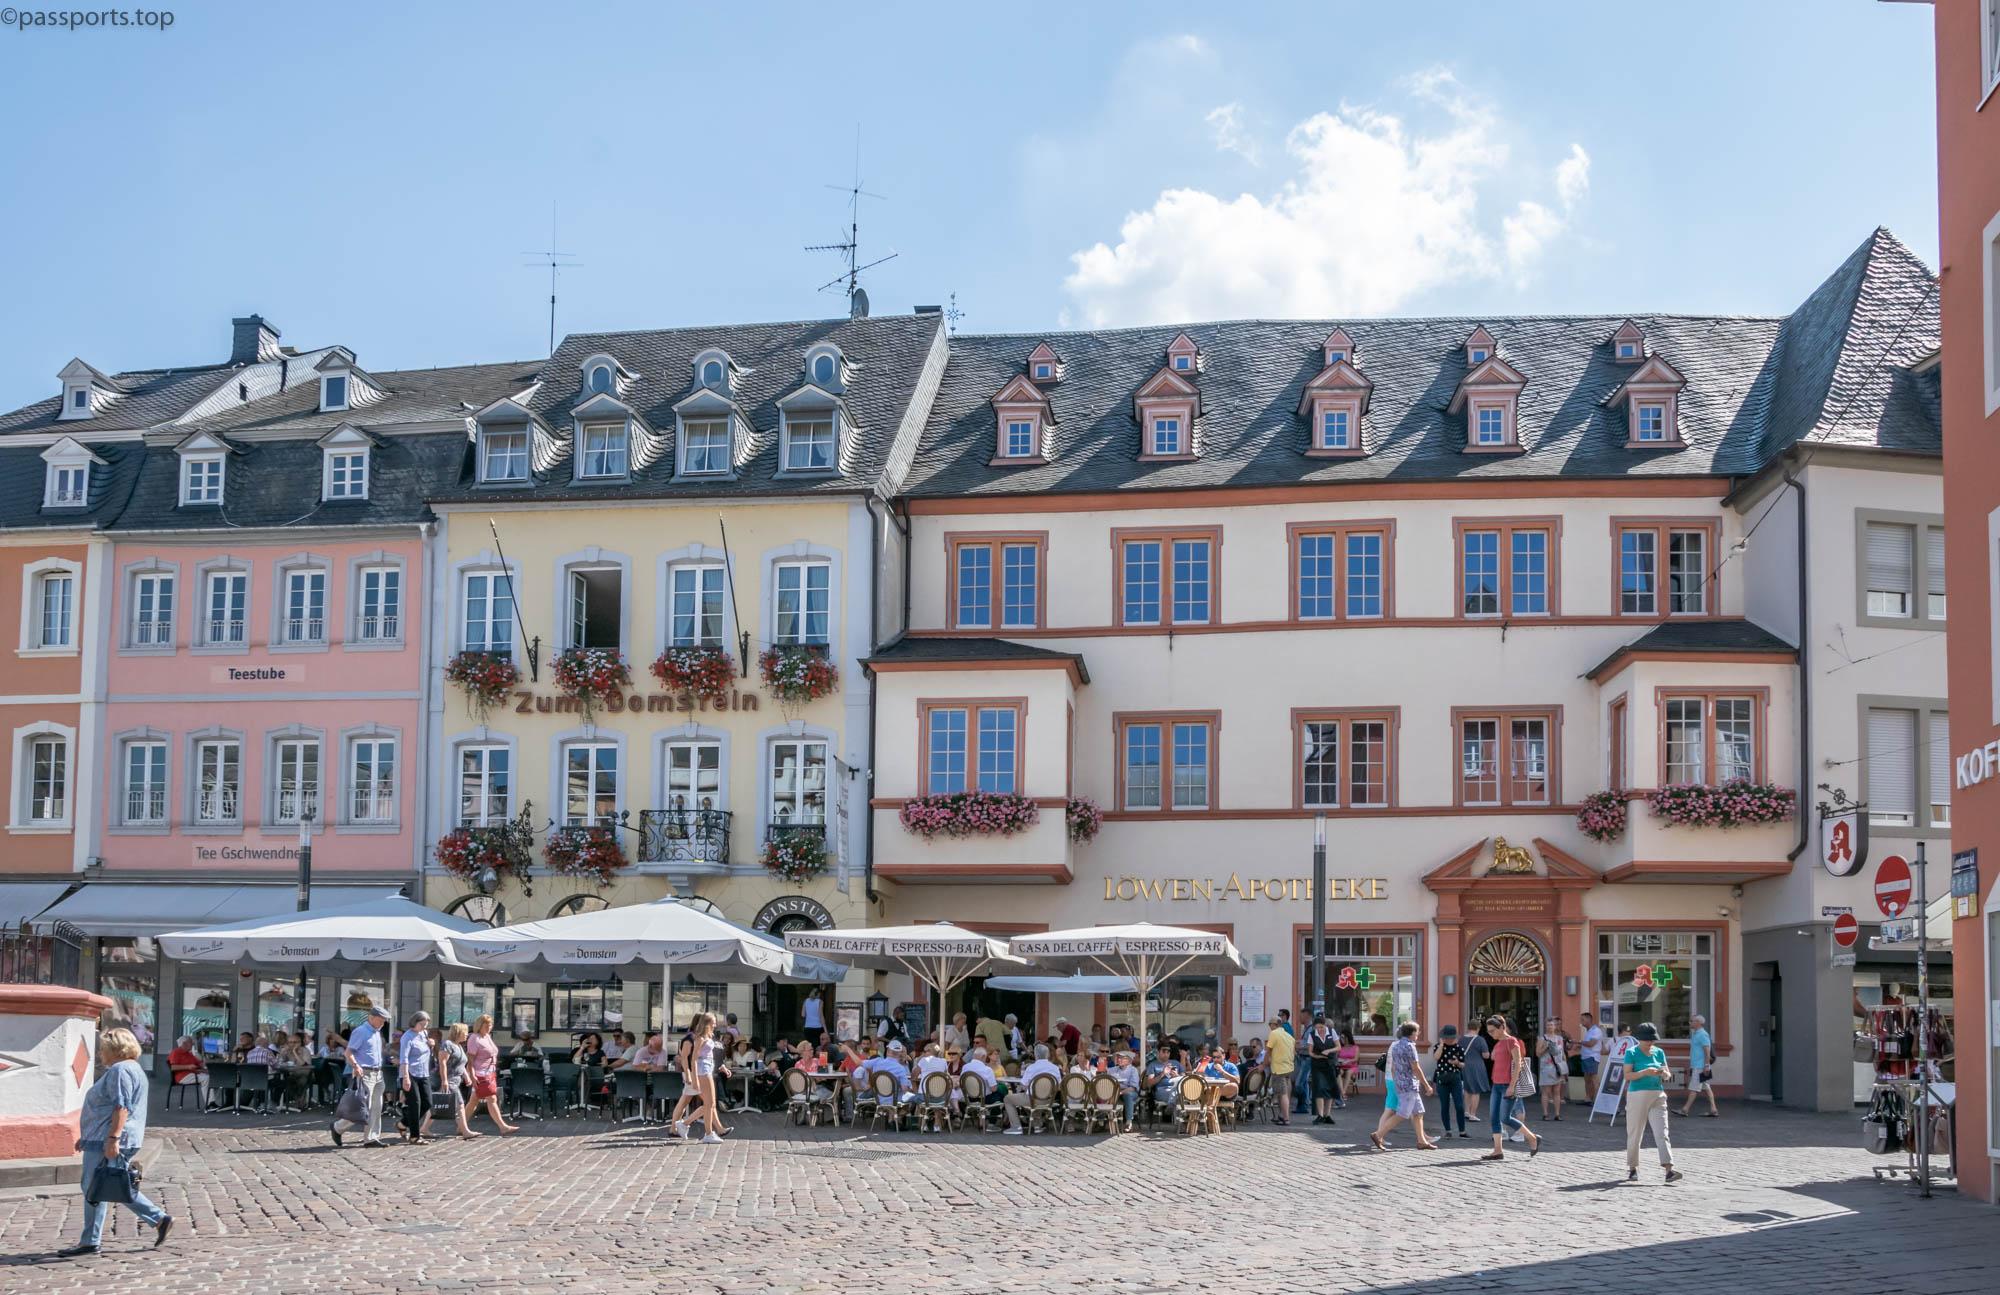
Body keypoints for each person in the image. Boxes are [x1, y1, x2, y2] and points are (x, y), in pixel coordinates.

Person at [56, 1027, 172, 1258]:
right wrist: (89, 1137)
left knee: (97, 1188)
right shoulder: (131, 1068)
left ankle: (92, 1241)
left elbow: (121, 1106)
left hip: (110, 1138)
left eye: (103, 1049)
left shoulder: (120, 1070)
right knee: (107, 1185)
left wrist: (112, 1138)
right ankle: (157, 1219)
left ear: (116, 1049)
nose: (100, 1053)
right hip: (104, 1137)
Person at [1367, 1021, 1438, 1150]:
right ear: (1412, 1033)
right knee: (1402, 1114)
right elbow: (1416, 1068)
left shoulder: (1396, 1045)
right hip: (1409, 1085)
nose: (1418, 1033)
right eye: (1417, 1031)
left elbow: (1393, 1067)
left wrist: (1397, 1081)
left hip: (1402, 1084)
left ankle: (1422, 1141)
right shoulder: (1410, 1046)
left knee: (1418, 1112)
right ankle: (1378, 1135)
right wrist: (1427, 1085)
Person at [1480, 1014, 1542, 1161]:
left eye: (1492, 1031)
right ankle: (1498, 1150)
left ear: (1502, 1027)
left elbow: (1518, 1064)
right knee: (1494, 1117)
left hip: (1508, 1085)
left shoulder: (1512, 1041)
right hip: (1496, 1084)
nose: (1490, 1034)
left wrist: (1512, 1086)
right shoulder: (1498, 1044)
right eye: (1488, 1031)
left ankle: (1532, 1137)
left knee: (1505, 1118)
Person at [1625, 1022, 1682, 1182]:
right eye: (1647, 1040)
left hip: (1658, 1094)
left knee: (1662, 1132)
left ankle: (1669, 1170)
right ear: (1639, 1039)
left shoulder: (1659, 1052)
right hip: (1637, 1095)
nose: (1650, 1042)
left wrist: (1664, 1074)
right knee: (1635, 1133)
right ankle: (1632, 1168)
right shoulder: (1631, 1052)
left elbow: (1667, 1074)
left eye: (1652, 1039)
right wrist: (1644, 1072)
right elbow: (1627, 1075)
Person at [331, 1004, 390, 1148]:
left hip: (378, 1073)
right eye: (381, 1020)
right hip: (365, 1073)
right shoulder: (361, 1031)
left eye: (384, 1021)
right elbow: (348, 1052)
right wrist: (356, 1066)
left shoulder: (377, 1032)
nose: (383, 1023)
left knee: (376, 1107)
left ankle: (371, 1138)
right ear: (372, 1017)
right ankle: (338, 1127)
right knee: (362, 1107)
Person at [675, 1012, 732, 1143]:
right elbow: (694, 1059)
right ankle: (707, 1133)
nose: (715, 1025)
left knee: (710, 1104)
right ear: (707, 1023)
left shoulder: (707, 1036)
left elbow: (712, 1056)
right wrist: (694, 1079)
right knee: (709, 1104)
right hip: (703, 1070)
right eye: (713, 1022)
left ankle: (686, 1124)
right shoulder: (700, 1038)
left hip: (707, 1068)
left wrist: (721, 1067)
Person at [463, 1014, 518, 1134]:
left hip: (489, 1073)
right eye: (486, 1025)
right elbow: (470, 1060)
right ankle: (503, 1127)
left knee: (474, 1101)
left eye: (490, 1025)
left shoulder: (487, 1037)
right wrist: (472, 1075)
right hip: (480, 1073)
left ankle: (461, 1125)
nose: (489, 1027)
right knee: (492, 1098)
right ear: (480, 1025)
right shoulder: (474, 1038)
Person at [1003, 1043, 1063, 1134]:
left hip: (1032, 1099)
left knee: (1007, 1099)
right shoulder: (1055, 1068)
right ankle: (1037, 1126)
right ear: (1047, 1054)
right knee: (1035, 1098)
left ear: (1035, 1055)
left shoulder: (1031, 1068)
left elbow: (1024, 1085)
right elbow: (1058, 1086)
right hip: (1048, 1100)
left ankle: (1016, 1127)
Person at [396, 1010, 436, 1144]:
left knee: (427, 1102)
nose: (424, 1027)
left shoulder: (423, 1034)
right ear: (415, 1022)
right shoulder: (407, 1037)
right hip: (410, 1073)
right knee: (415, 1104)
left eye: (426, 1025)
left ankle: (403, 1123)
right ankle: (415, 1136)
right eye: (422, 1024)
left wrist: (431, 1045)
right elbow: (404, 1058)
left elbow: (425, 1053)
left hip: (423, 1073)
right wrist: (405, 1077)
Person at [438, 1022, 478, 1139]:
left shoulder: (459, 1046)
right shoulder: (448, 1044)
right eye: (465, 1032)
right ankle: (465, 1131)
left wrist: (466, 1076)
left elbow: (461, 1064)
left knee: (439, 1104)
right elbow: (442, 1063)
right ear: (458, 1032)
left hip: (457, 1080)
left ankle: (424, 1128)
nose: (467, 1035)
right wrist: (444, 1080)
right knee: (460, 1105)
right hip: (450, 1080)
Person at [1430, 1024, 1469, 1139]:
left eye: (1451, 1038)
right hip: (1442, 1079)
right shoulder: (1438, 1046)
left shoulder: (1459, 1048)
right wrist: (1442, 1045)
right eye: (1447, 1038)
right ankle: (1448, 1131)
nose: (1450, 1040)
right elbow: (1436, 1057)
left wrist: (1457, 1063)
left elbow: (1463, 1065)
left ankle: (1462, 1131)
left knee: (1459, 1105)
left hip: (1455, 1078)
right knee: (1445, 1106)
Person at [1679, 1015, 1718, 1118]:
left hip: (1700, 1066)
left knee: (1694, 1088)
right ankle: (1713, 1109)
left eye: (1691, 1021)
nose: (1690, 1023)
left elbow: (1707, 1050)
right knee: (1706, 1088)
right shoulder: (1696, 1034)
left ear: (1698, 1022)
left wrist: (1706, 1065)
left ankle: (1685, 1109)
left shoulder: (1702, 1034)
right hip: (1698, 1065)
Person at [1304, 1014, 1339, 1125]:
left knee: (1330, 1089)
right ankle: (1320, 1114)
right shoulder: (1312, 1034)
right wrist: (1318, 1056)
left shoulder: (1331, 1032)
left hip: (1330, 1063)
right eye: (1317, 1027)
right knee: (1319, 1088)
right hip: (1318, 1064)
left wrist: (1329, 1051)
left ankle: (1327, 1115)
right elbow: (1310, 1052)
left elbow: (1338, 1047)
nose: (1319, 1029)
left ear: (1325, 1025)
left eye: (1321, 1027)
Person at [1196, 1046, 1240, 1134]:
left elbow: (1237, 1081)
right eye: (1214, 1057)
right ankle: (1211, 1124)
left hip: (1225, 1094)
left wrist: (1222, 1071)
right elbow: (1201, 1078)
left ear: (1224, 1056)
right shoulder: (1208, 1066)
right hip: (1211, 1094)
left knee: (1234, 1086)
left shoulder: (1231, 1066)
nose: (1216, 1060)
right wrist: (1200, 1073)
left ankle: (1209, 1120)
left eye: (1218, 1057)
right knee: (1207, 1089)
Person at [1264, 1016, 1296, 1125]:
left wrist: (1263, 1065)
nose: (1269, 1027)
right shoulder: (1289, 1036)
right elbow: (1293, 1053)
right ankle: (1281, 1115)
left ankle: (1286, 1118)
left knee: (1282, 1094)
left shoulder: (1274, 1033)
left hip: (1279, 1069)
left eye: (1270, 1024)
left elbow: (1268, 1051)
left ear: (1275, 1024)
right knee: (1283, 1093)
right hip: (1289, 1068)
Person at [1462, 1019, 1492, 1121]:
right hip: (1477, 1066)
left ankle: (1466, 1111)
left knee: (1467, 1089)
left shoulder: (1461, 1039)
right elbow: (1486, 1055)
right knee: (1476, 1090)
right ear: (1478, 1028)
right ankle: (1473, 1114)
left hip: (1464, 1065)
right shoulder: (1480, 1040)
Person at [167, 1035, 209, 1108]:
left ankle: (213, 1102)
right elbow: (173, 1067)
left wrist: (205, 1066)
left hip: (193, 1074)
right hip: (182, 1076)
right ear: (184, 1043)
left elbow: (199, 1064)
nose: (192, 1044)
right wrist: (188, 1066)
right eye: (191, 1042)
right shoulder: (176, 1052)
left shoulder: (189, 1054)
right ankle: (209, 1103)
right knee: (206, 1078)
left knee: (213, 1078)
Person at [1539, 1021, 1570, 1121]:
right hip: (1546, 1068)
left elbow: (1562, 1053)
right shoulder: (1542, 1039)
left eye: (1552, 1025)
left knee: (1557, 1091)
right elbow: (1538, 1053)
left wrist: (1565, 1067)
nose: (1550, 1027)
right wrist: (1545, 1047)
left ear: (1555, 1026)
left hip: (1558, 1068)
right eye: (1548, 1025)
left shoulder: (1559, 1039)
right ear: (1545, 1026)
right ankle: (1545, 1114)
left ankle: (1557, 1114)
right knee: (1546, 1091)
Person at [1335, 1029, 1360, 1109]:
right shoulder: (1340, 1047)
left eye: (1343, 1037)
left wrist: (1348, 1061)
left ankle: (1343, 1092)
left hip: (1352, 1066)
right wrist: (1340, 1061)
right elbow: (1336, 1058)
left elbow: (1356, 1059)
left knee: (1349, 1072)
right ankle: (1342, 1092)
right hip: (1342, 1066)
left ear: (1348, 1037)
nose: (1341, 1039)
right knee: (1338, 1072)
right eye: (1341, 1037)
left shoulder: (1355, 1047)